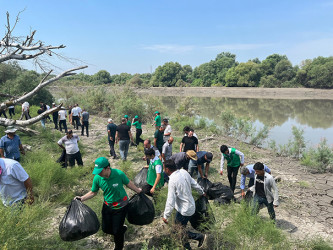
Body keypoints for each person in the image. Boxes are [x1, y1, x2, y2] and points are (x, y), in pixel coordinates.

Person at [74, 157, 142, 250]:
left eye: (100, 171)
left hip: (121, 206)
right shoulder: (97, 178)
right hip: (107, 205)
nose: (98, 173)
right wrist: (81, 198)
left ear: (107, 168)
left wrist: (138, 190)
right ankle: (122, 229)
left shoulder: (119, 174)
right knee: (105, 229)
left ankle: (118, 247)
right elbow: (93, 192)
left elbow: (128, 183)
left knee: (116, 231)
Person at [162, 160, 206, 249]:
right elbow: (194, 184)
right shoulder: (183, 172)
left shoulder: (172, 180)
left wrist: (166, 216)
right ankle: (187, 246)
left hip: (184, 210)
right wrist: (201, 192)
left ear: (167, 169)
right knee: (180, 229)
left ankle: (199, 237)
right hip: (191, 206)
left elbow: (171, 200)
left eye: (164, 169)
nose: (164, 171)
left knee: (177, 231)